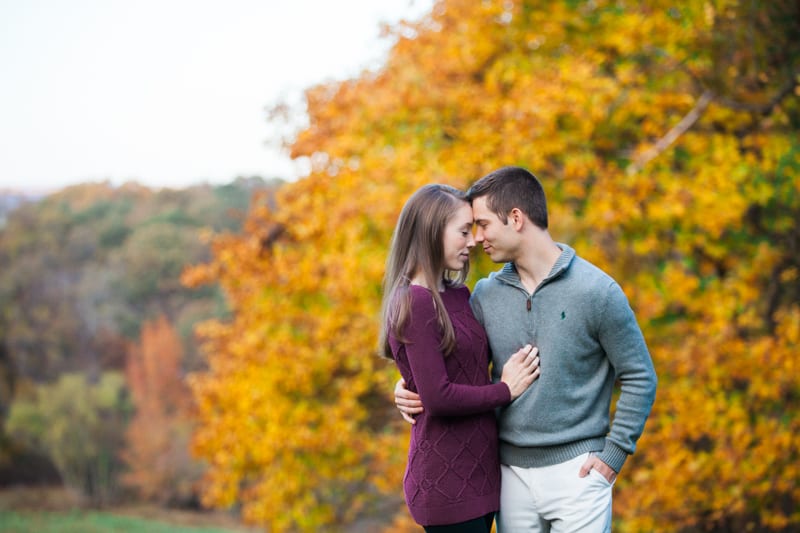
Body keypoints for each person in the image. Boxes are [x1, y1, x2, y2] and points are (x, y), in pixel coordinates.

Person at [395, 167, 658, 532]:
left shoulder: (597, 291)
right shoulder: (485, 295)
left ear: (516, 218)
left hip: (579, 471)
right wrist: (406, 383)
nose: (476, 239)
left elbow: (639, 375)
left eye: (483, 224)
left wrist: (614, 453)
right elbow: (450, 355)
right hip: (507, 475)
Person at [380, 183, 541, 533]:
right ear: (431, 231)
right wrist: (505, 390)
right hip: (445, 483)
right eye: (464, 231)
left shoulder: (457, 295)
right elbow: (438, 398)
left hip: (483, 473)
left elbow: (455, 370)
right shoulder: (414, 301)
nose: (472, 241)